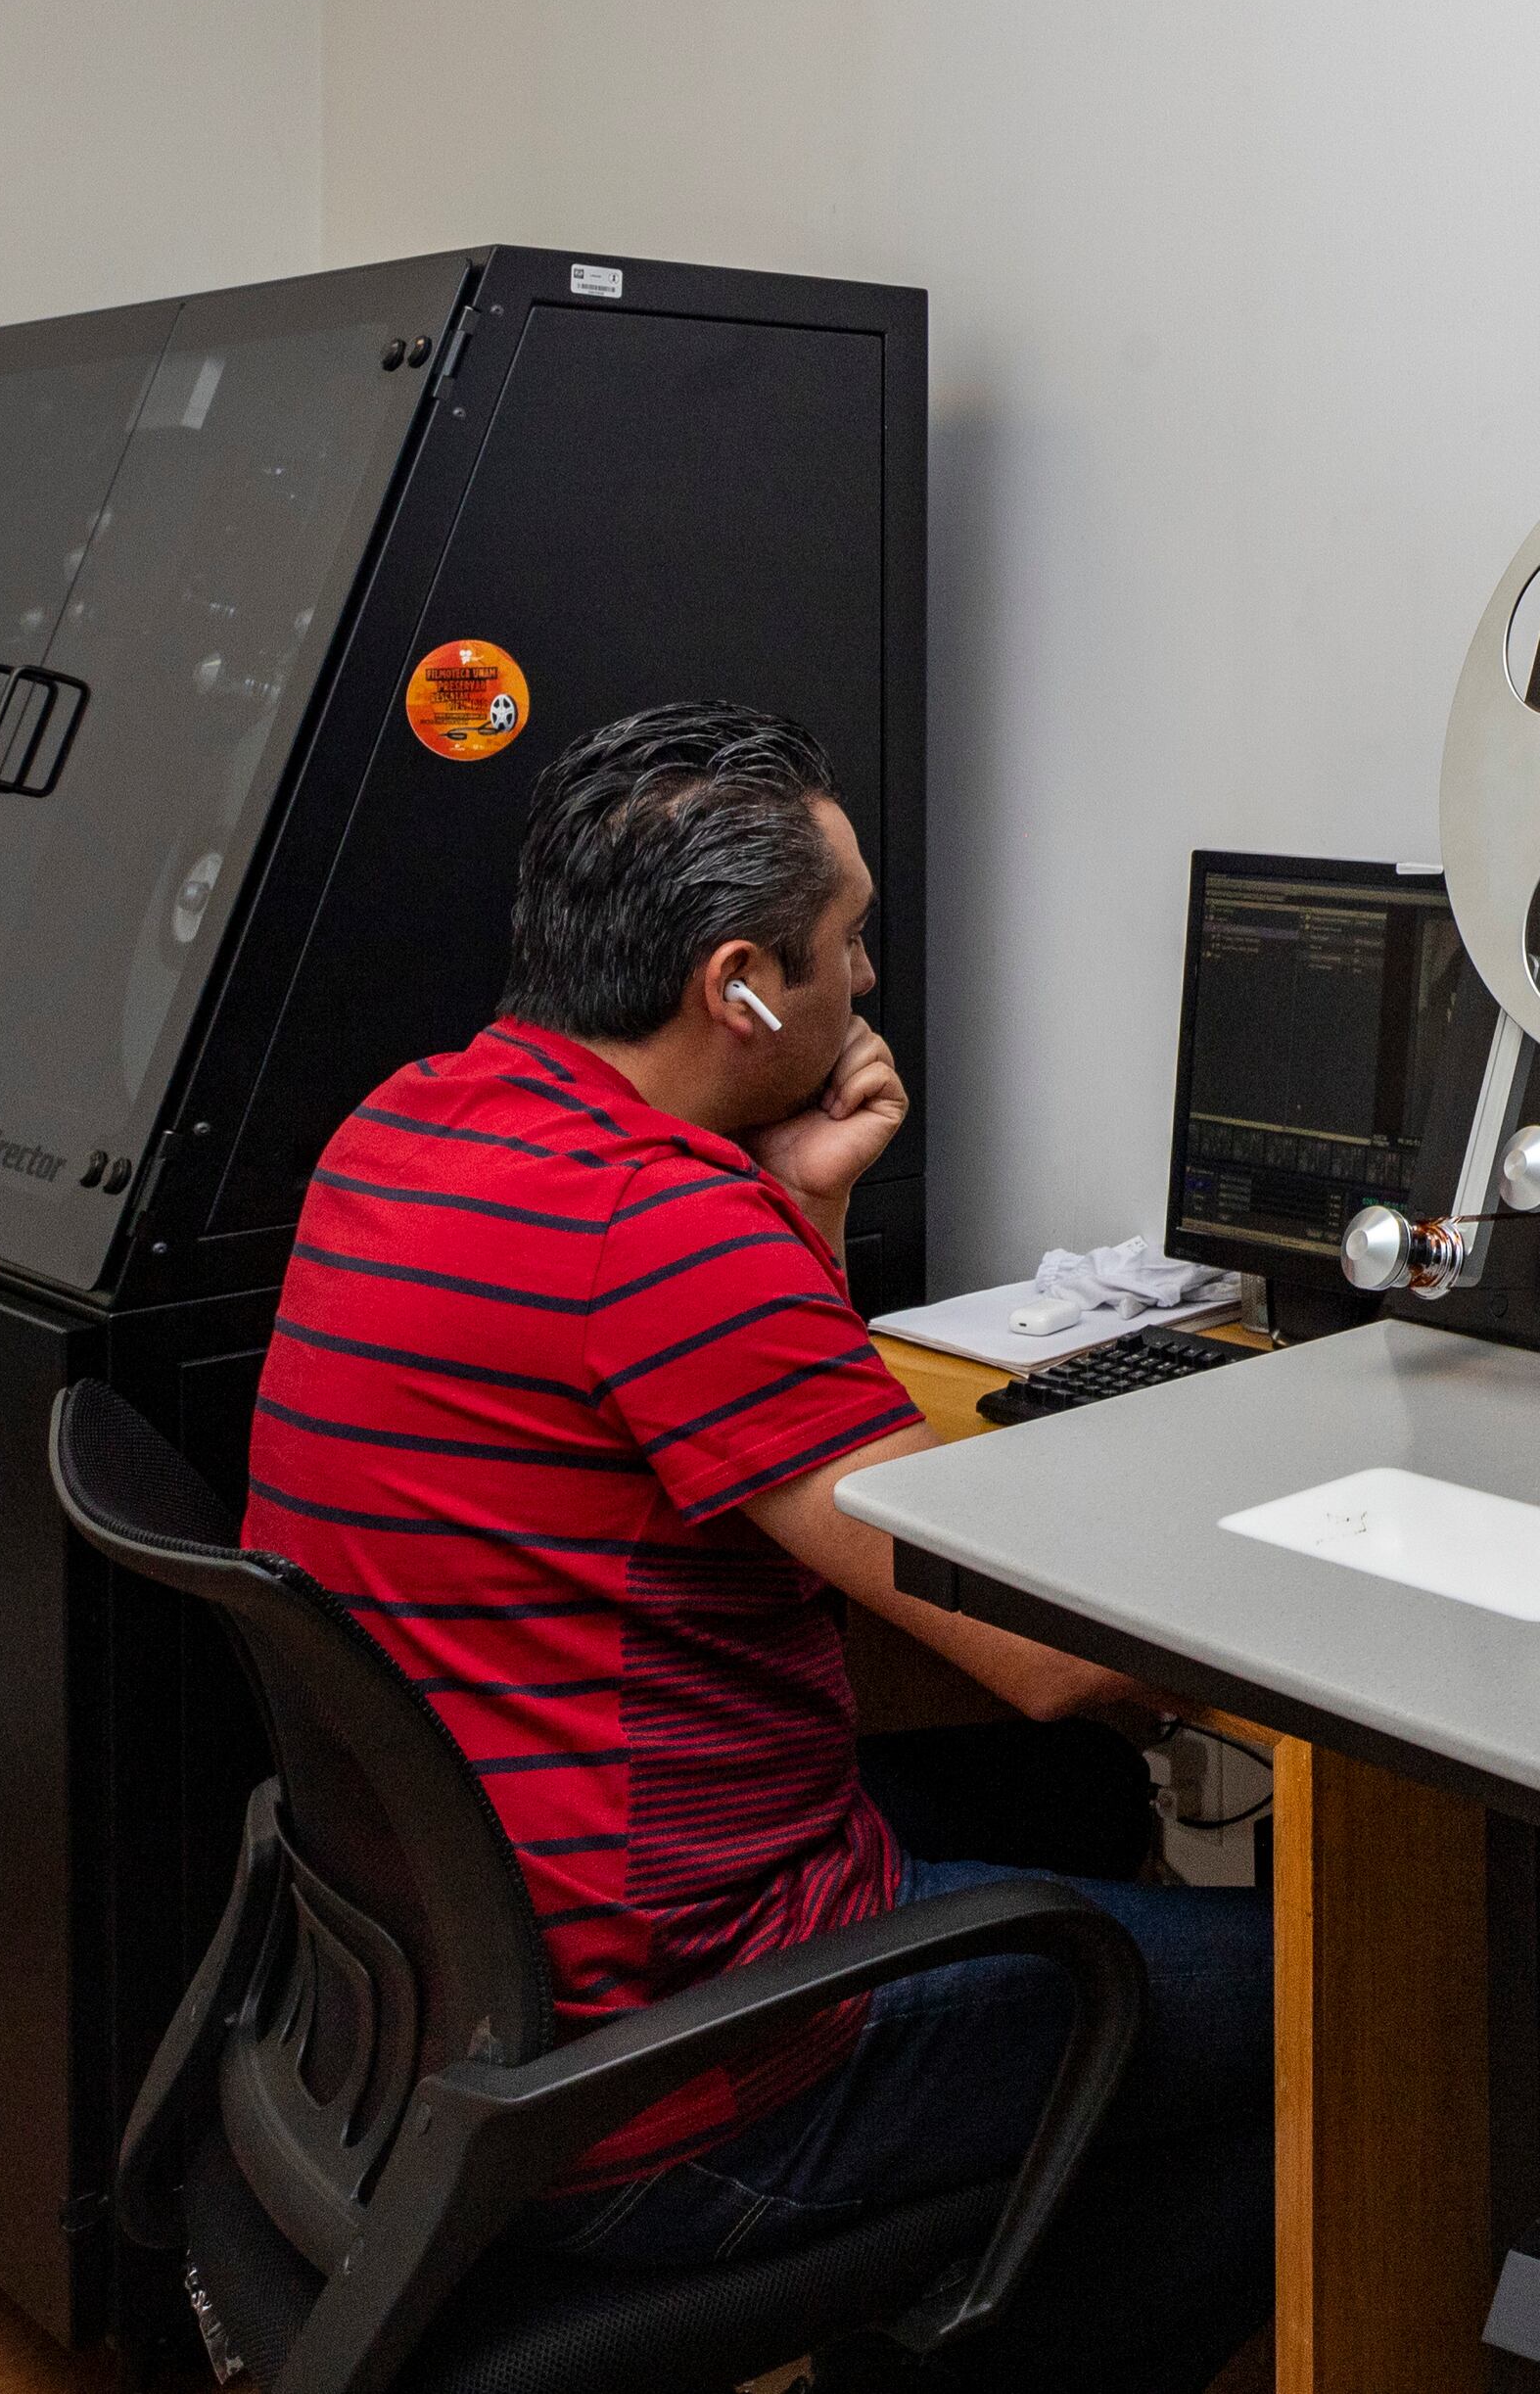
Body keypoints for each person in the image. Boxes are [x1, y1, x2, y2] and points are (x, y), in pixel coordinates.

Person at [241, 701, 1267, 2391]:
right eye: (851, 939)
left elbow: (706, 1458)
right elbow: (1051, 1653)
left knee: (1078, 1802)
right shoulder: (657, 1231)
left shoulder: (411, 1124)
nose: (868, 979)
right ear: (739, 985)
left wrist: (799, 1212)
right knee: (1335, 2013)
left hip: (452, 2004)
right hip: (678, 2079)